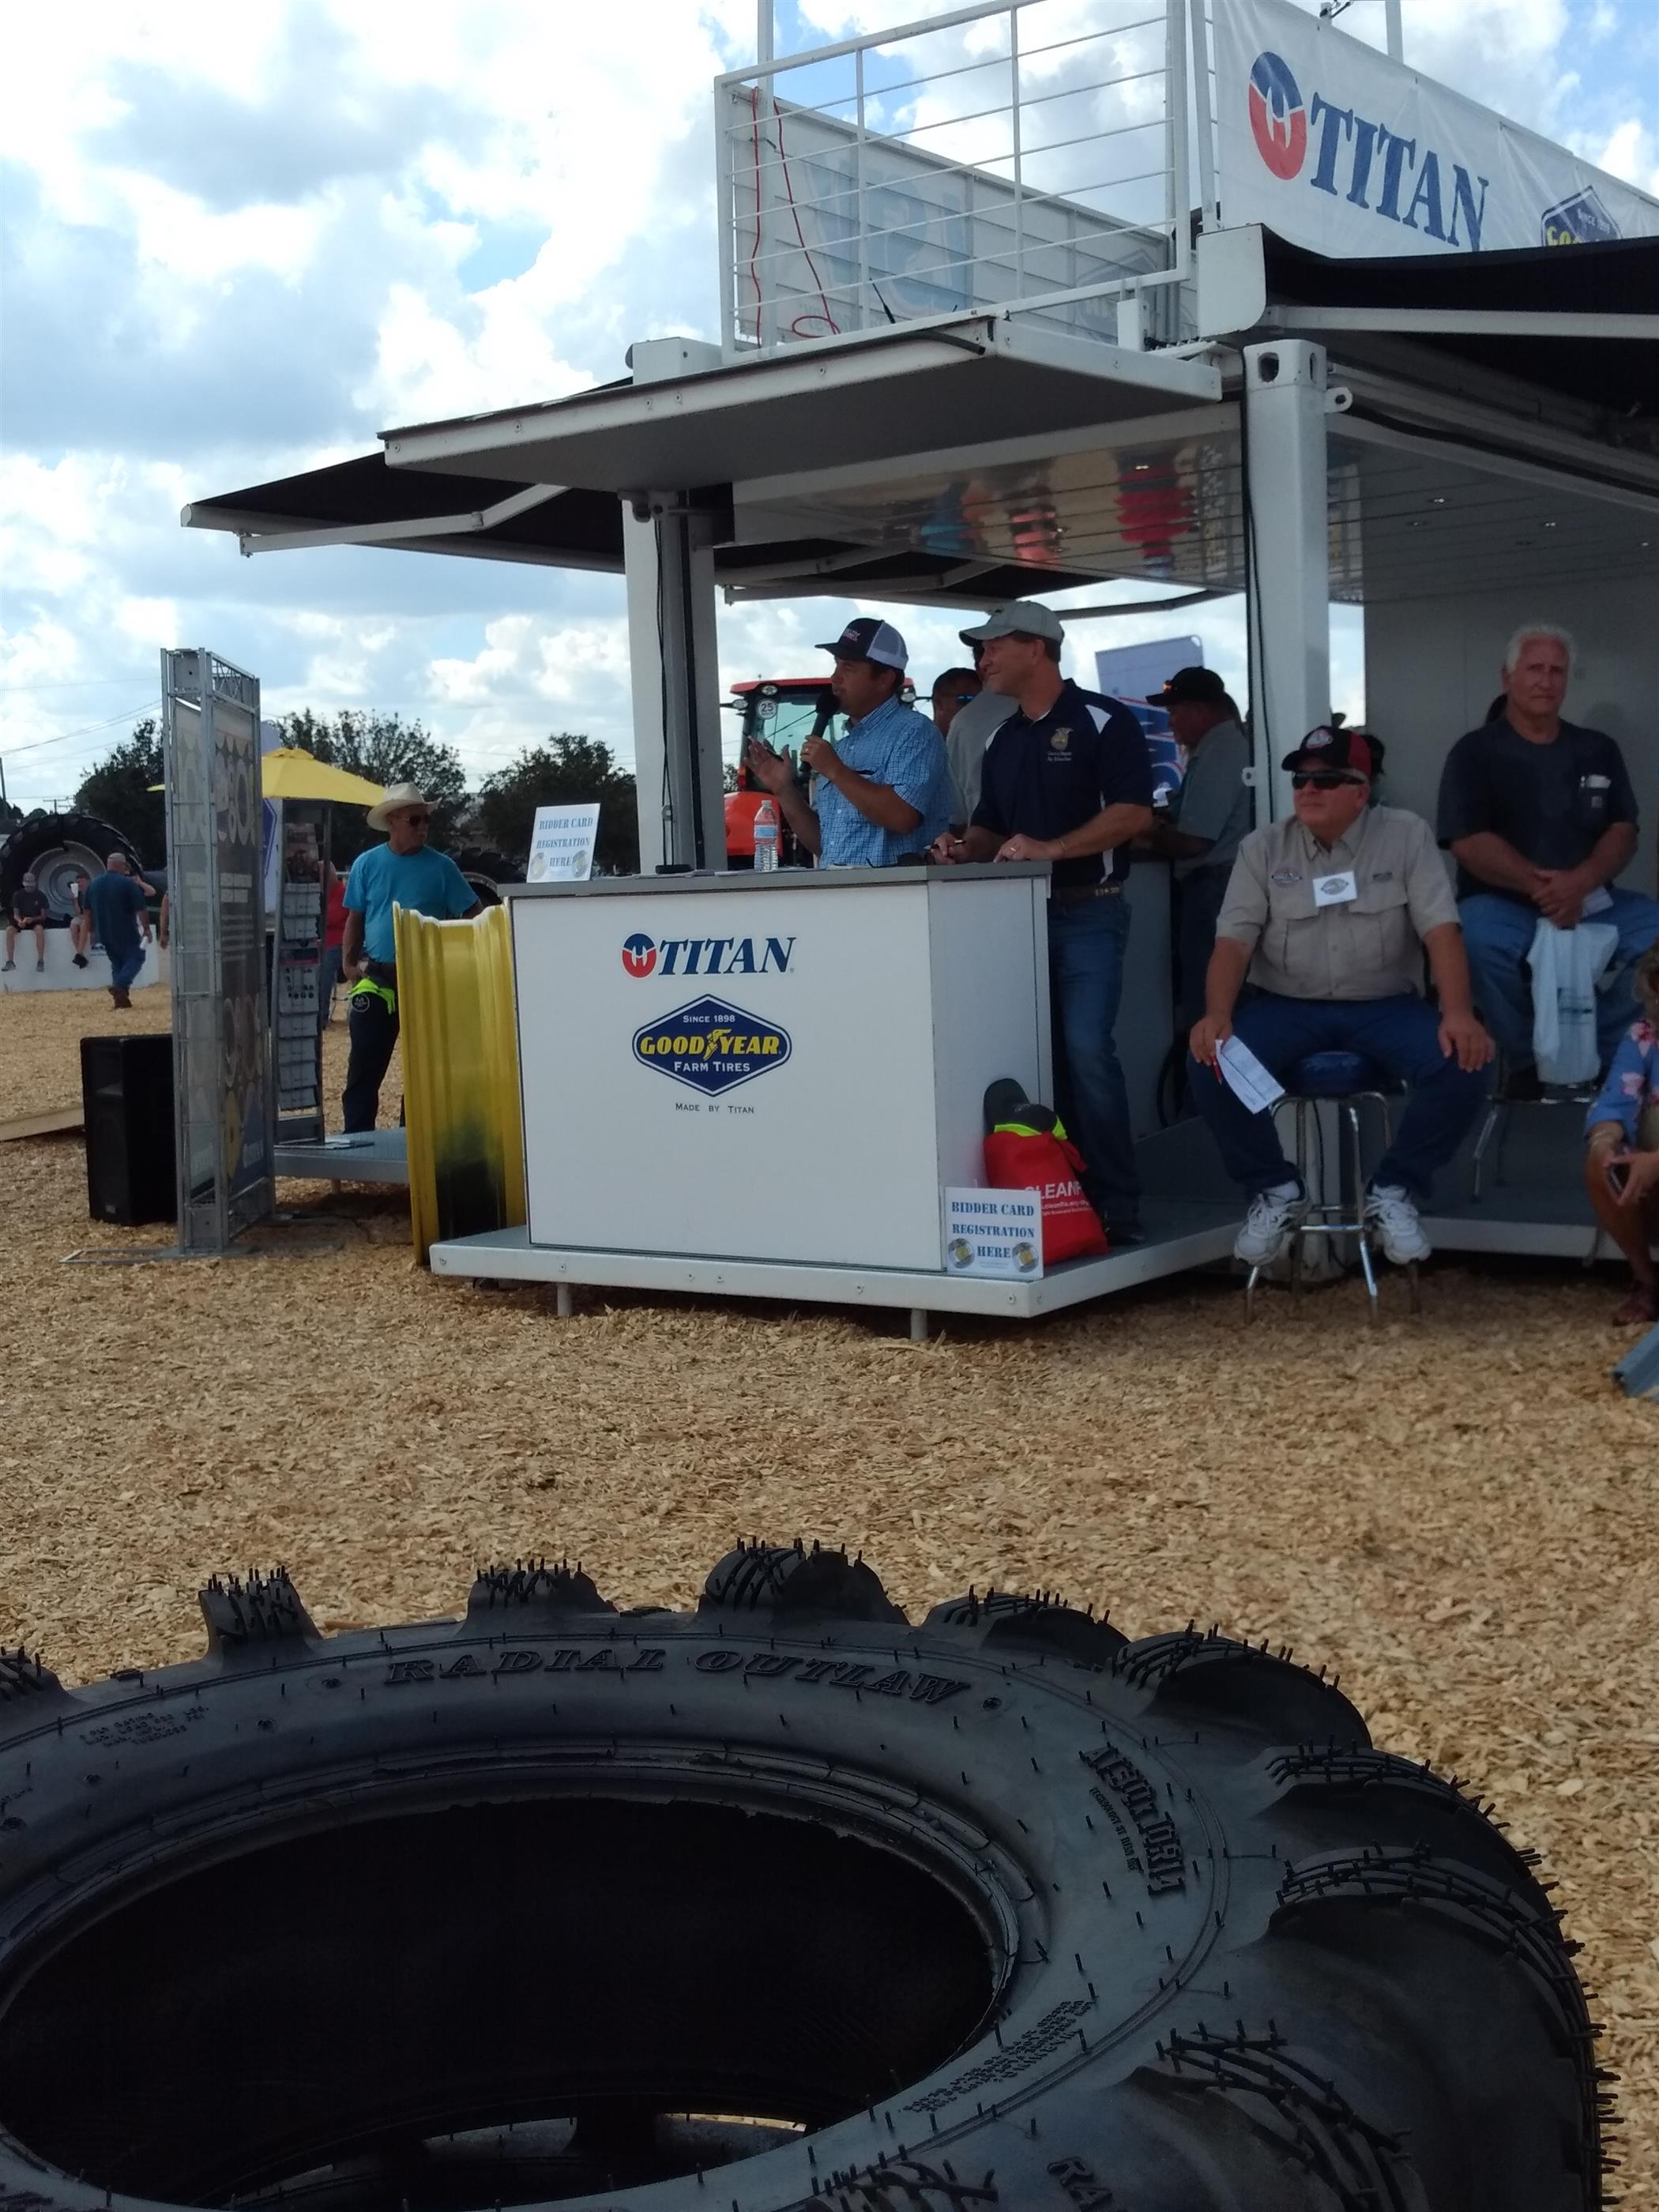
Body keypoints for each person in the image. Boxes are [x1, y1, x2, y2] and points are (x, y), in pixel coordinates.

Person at [1189, 726, 1493, 1269]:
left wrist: (1457, 1013)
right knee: (1209, 1059)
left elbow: (1441, 931)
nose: (1309, 789)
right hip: (1288, 1005)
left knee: (1467, 1060)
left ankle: (1394, 1189)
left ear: (1361, 790)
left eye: (1327, 779)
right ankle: (1275, 1189)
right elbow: (1233, 942)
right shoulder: (1263, 847)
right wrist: (1217, 1014)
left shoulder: (1406, 835)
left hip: (1385, 1006)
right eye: (1301, 779)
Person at [931, 600, 1156, 1242]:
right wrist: (961, 849)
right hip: (1014, 921)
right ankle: (1055, 1198)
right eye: (981, 649)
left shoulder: (1104, 720)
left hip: (1090, 910)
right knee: (1029, 1058)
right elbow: (991, 827)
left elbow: (1135, 814)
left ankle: (1118, 1203)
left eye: (993, 646)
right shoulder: (1001, 736)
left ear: (1037, 648)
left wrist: (1052, 849)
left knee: (1086, 1052)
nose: (983, 660)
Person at [1439, 623, 1659, 1074]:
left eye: (1556, 671)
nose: (1546, 680)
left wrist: (1580, 883)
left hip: (1592, 900)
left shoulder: (1598, 749)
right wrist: (1544, 888)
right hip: (1503, 904)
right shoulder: (1473, 752)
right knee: (1476, 942)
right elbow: (1466, 840)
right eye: (1534, 669)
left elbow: (1624, 829)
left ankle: (1599, 1052)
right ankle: (1527, 1060)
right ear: (1507, 678)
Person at [744, 616, 950, 867]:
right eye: (836, 665)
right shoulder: (841, 748)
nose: (835, 677)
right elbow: (826, 844)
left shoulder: (915, 732)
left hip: (894, 889)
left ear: (884, 679)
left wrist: (835, 770)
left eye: (848, 668)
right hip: (839, 887)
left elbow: (902, 817)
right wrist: (784, 790)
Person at [340, 784, 481, 1132]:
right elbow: (355, 917)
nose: (423, 827)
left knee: (424, 1070)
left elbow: (475, 914)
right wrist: (348, 963)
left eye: (426, 820)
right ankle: (355, 1139)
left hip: (427, 978)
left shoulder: (443, 867)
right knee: (364, 1066)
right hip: (377, 978)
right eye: (415, 820)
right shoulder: (366, 864)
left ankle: (414, 1139)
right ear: (392, 821)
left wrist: (461, 958)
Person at [1135, 668, 1253, 1029]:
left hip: (1214, 889)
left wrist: (1143, 830)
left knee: (1207, 1005)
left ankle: (1206, 1065)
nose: (1170, 722)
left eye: (1174, 712)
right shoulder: (1217, 748)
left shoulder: (1221, 751)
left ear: (1200, 711)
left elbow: (1195, 840)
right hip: (1214, 888)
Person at [1583, 945, 1659, 1325]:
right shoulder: (1644, 1036)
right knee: (1602, 1162)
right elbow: (1615, 1102)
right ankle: (1647, 1282)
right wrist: (1605, 1141)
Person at [943, 640, 1017, 830]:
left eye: (995, 650)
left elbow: (956, 815)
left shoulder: (964, 723)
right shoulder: (1075, 712)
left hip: (987, 843)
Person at [81, 855, 152, 1009]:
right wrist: (146, 928)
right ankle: (120, 985)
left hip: (104, 932)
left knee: (117, 963)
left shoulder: (94, 884)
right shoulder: (128, 884)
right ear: (121, 865)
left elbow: (87, 911)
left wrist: (91, 930)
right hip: (126, 930)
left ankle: (121, 1000)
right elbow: (141, 908)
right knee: (137, 957)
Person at [318, 860, 346, 1030]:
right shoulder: (324, 894)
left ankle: (321, 1016)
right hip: (324, 943)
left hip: (339, 943)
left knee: (325, 969)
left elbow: (331, 918)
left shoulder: (342, 892)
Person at [4, 874, 49, 973]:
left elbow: (43, 916)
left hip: (35, 920)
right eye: (27, 885)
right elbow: (16, 914)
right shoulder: (17, 895)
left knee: (39, 930)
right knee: (9, 931)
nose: (29, 887)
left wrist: (32, 919)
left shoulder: (41, 896)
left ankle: (40, 960)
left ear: (35, 884)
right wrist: (20, 921)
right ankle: (10, 961)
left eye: (31, 885)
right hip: (21, 920)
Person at [930, 667, 981, 738]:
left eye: (982, 702)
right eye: (966, 700)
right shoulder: (919, 741)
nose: (976, 709)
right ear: (939, 702)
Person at [67, 870, 93, 966]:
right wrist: (75, 899)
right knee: (73, 925)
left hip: (93, 916)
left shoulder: (93, 892)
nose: (80, 884)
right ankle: (80, 954)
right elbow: (78, 912)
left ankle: (79, 953)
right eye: (78, 882)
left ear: (87, 881)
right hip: (82, 916)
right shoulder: (79, 895)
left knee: (83, 925)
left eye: (81, 881)